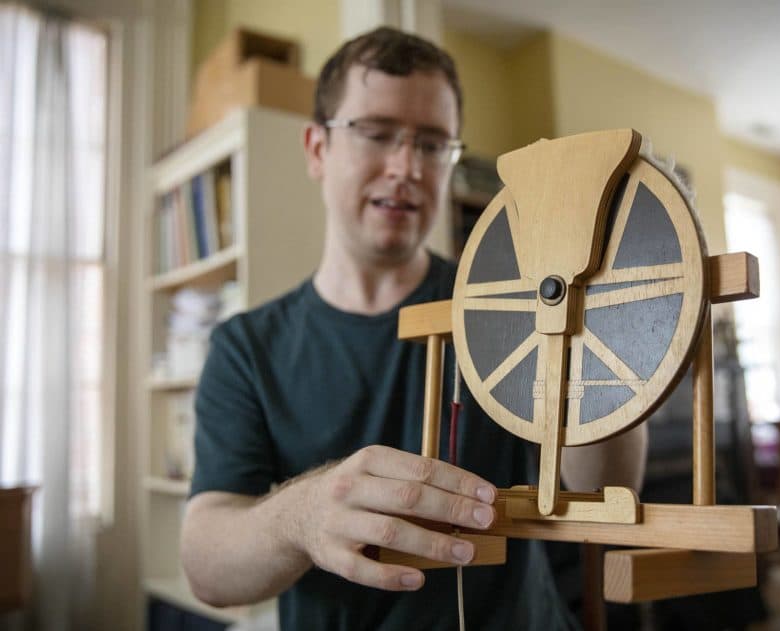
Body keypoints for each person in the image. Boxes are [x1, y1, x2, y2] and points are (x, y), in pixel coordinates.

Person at [180, 26, 648, 630]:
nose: (406, 167)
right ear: (317, 149)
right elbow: (207, 570)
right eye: (376, 134)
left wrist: (604, 332)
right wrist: (300, 515)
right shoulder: (246, 347)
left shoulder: (510, 304)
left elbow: (605, 489)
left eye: (432, 145)